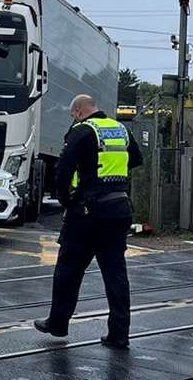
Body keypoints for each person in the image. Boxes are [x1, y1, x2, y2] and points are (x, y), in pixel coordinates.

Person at [34, 94, 142, 348]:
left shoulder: (81, 131)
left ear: (80, 111)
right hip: (118, 209)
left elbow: (62, 171)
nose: (73, 119)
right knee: (115, 274)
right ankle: (119, 333)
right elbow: (136, 159)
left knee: (68, 271)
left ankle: (58, 324)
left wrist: (65, 200)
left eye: (73, 115)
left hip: (86, 213)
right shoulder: (121, 129)